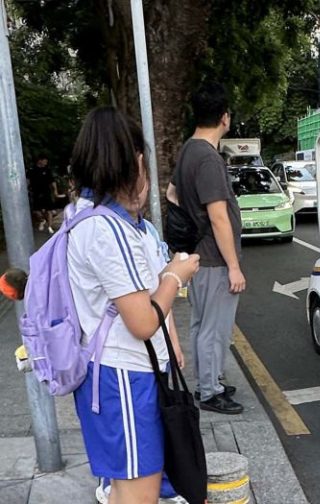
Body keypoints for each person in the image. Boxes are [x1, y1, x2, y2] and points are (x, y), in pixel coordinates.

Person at [67, 107, 200, 503]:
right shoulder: (106, 230)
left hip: (123, 373)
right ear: (135, 161)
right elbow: (142, 321)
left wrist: (171, 341)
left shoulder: (97, 219)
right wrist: (177, 276)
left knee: (130, 488)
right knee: (138, 493)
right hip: (123, 375)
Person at [167, 81, 245, 415]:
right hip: (215, 257)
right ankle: (210, 392)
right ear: (225, 117)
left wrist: (191, 224)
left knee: (202, 325)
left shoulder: (188, 149)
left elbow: (172, 194)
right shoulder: (209, 159)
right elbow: (219, 217)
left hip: (198, 253)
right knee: (215, 329)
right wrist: (234, 266)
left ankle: (207, 381)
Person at [27, 155, 66, 234]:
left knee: (49, 210)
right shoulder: (32, 170)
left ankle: (49, 226)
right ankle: (42, 220)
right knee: (36, 211)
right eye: (44, 161)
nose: (46, 163)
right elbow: (27, 181)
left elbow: (52, 181)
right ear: (39, 161)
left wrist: (55, 191)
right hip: (36, 193)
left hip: (46, 192)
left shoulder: (47, 170)